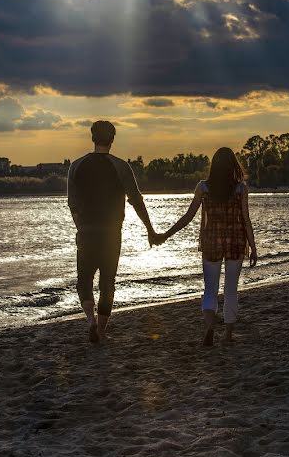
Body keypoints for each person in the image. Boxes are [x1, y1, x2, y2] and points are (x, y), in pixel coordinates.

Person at [67, 120, 161, 343]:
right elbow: (136, 200)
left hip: (87, 231)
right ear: (112, 139)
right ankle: (100, 330)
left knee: (84, 280)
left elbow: (72, 204)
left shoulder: (76, 166)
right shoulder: (121, 166)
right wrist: (150, 229)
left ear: (92, 138)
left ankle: (90, 321)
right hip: (111, 233)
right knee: (108, 281)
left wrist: (80, 227)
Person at [157, 147, 258, 346]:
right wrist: (253, 247)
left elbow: (188, 216)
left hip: (211, 240)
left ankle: (210, 326)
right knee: (231, 289)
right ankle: (228, 335)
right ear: (232, 166)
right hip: (235, 241)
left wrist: (165, 235)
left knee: (210, 289)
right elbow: (246, 220)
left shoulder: (203, 187)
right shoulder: (240, 189)